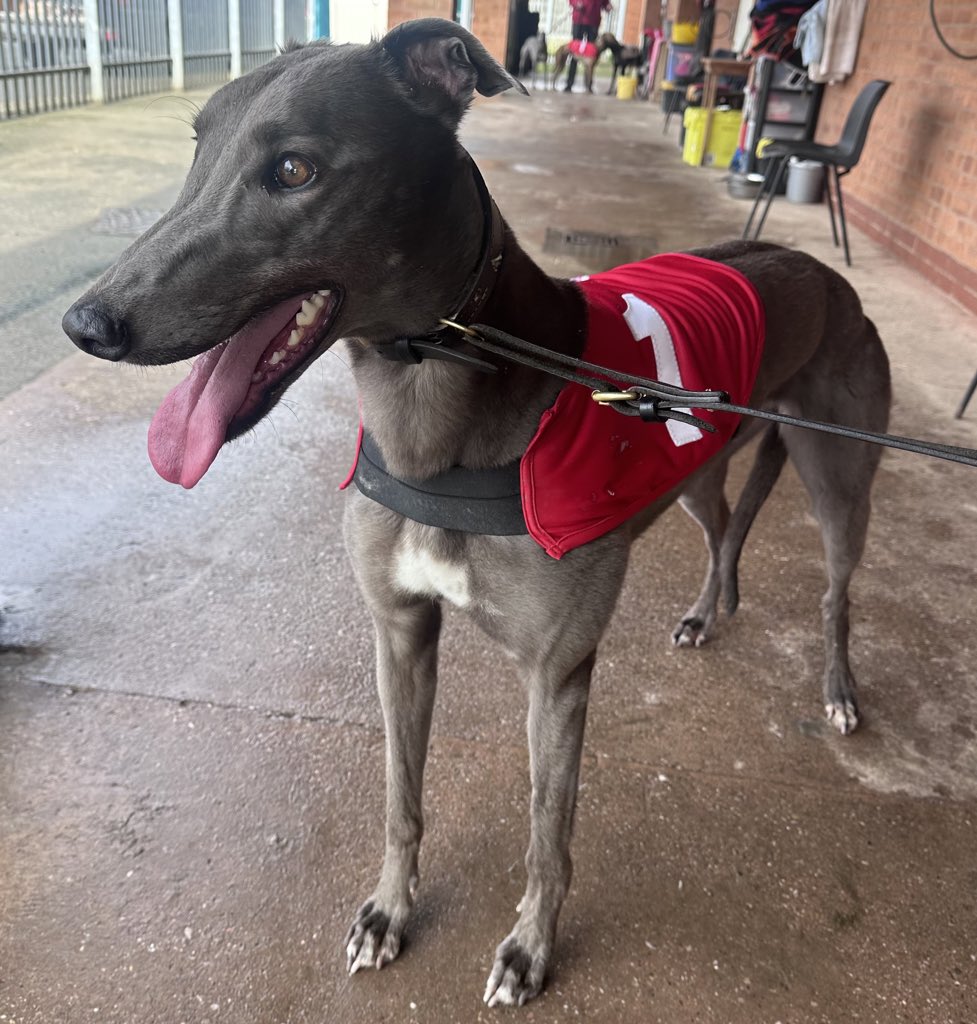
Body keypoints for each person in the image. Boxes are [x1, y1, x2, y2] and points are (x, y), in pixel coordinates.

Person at [565, 0, 612, 92]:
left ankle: (588, 85)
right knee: (574, 53)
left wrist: (607, 6)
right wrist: (576, 3)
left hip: (593, 22)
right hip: (579, 20)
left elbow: (605, 2)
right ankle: (569, 84)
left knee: (592, 56)